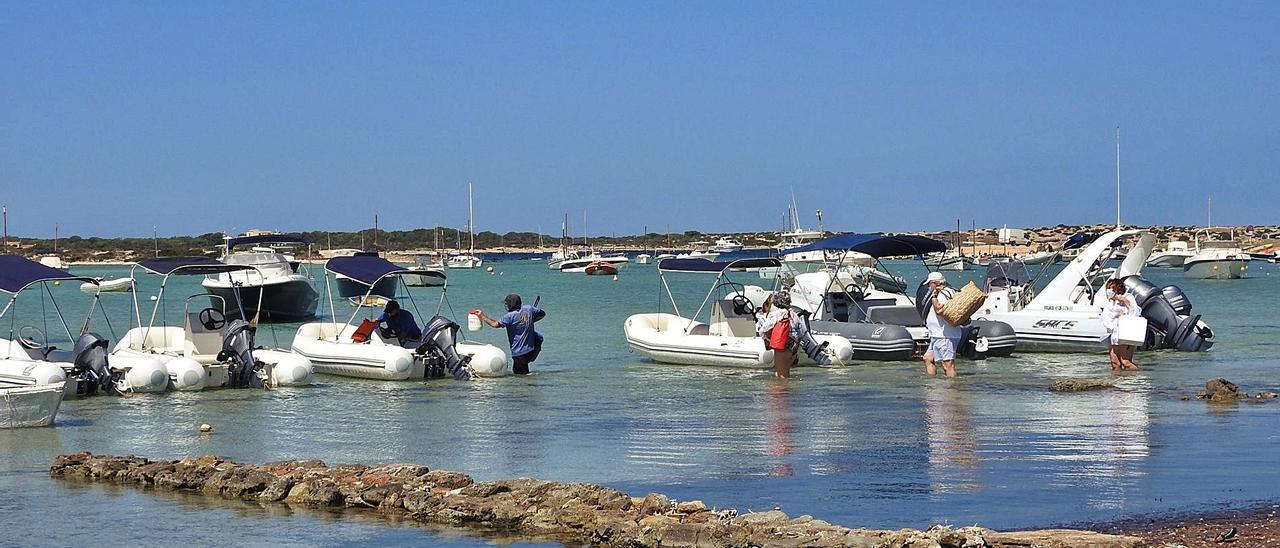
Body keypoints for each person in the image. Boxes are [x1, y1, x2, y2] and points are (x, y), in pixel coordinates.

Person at [473, 294, 545, 375]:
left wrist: (482, 316)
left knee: (520, 377)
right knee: (538, 337)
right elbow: (542, 313)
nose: (506, 305)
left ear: (511, 304)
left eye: (507, 304)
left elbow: (495, 324)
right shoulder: (529, 309)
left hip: (519, 353)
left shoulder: (509, 317)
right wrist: (530, 320)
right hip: (531, 350)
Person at [922, 271, 962, 378]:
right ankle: (933, 385)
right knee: (928, 358)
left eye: (929, 284)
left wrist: (934, 296)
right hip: (938, 334)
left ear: (934, 283)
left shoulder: (943, 293)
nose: (929, 287)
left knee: (947, 365)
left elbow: (939, 310)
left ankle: (952, 390)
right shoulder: (947, 292)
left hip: (944, 335)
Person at [1101, 279, 1139, 371]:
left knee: (1126, 362)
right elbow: (1106, 317)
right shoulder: (1110, 303)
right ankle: (1117, 382)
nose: (1110, 291)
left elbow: (1135, 313)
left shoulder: (1128, 297)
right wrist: (1115, 316)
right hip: (1113, 334)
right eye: (1109, 289)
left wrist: (1125, 302)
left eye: (1112, 289)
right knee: (1115, 363)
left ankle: (1138, 379)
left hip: (1125, 333)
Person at [756, 292, 796, 379]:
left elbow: (764, 328)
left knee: (780, 375)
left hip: (781, 347)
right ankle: (788, 391)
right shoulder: (793, 314)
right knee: (786, 373)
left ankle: (780, 391)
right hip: (791, 346)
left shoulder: (777, 314)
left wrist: (764, 336)